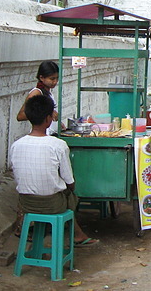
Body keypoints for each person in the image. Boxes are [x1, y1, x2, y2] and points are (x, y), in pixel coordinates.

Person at [10, 94, 98, 246]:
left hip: (26, 203)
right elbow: (69, 181)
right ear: (48, 119)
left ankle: (50, 234)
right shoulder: (58, 145)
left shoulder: (16, 145)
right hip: (52, 204)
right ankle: (77, 234)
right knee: (71, 195)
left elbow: (18, 176)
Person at [17, 61, 60, 134]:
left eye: (57, 78)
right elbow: (20, 116)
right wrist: (47, 111)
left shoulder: (49, 93)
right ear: (42, 78)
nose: (55, 81)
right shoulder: (36, 92)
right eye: (52, 79)